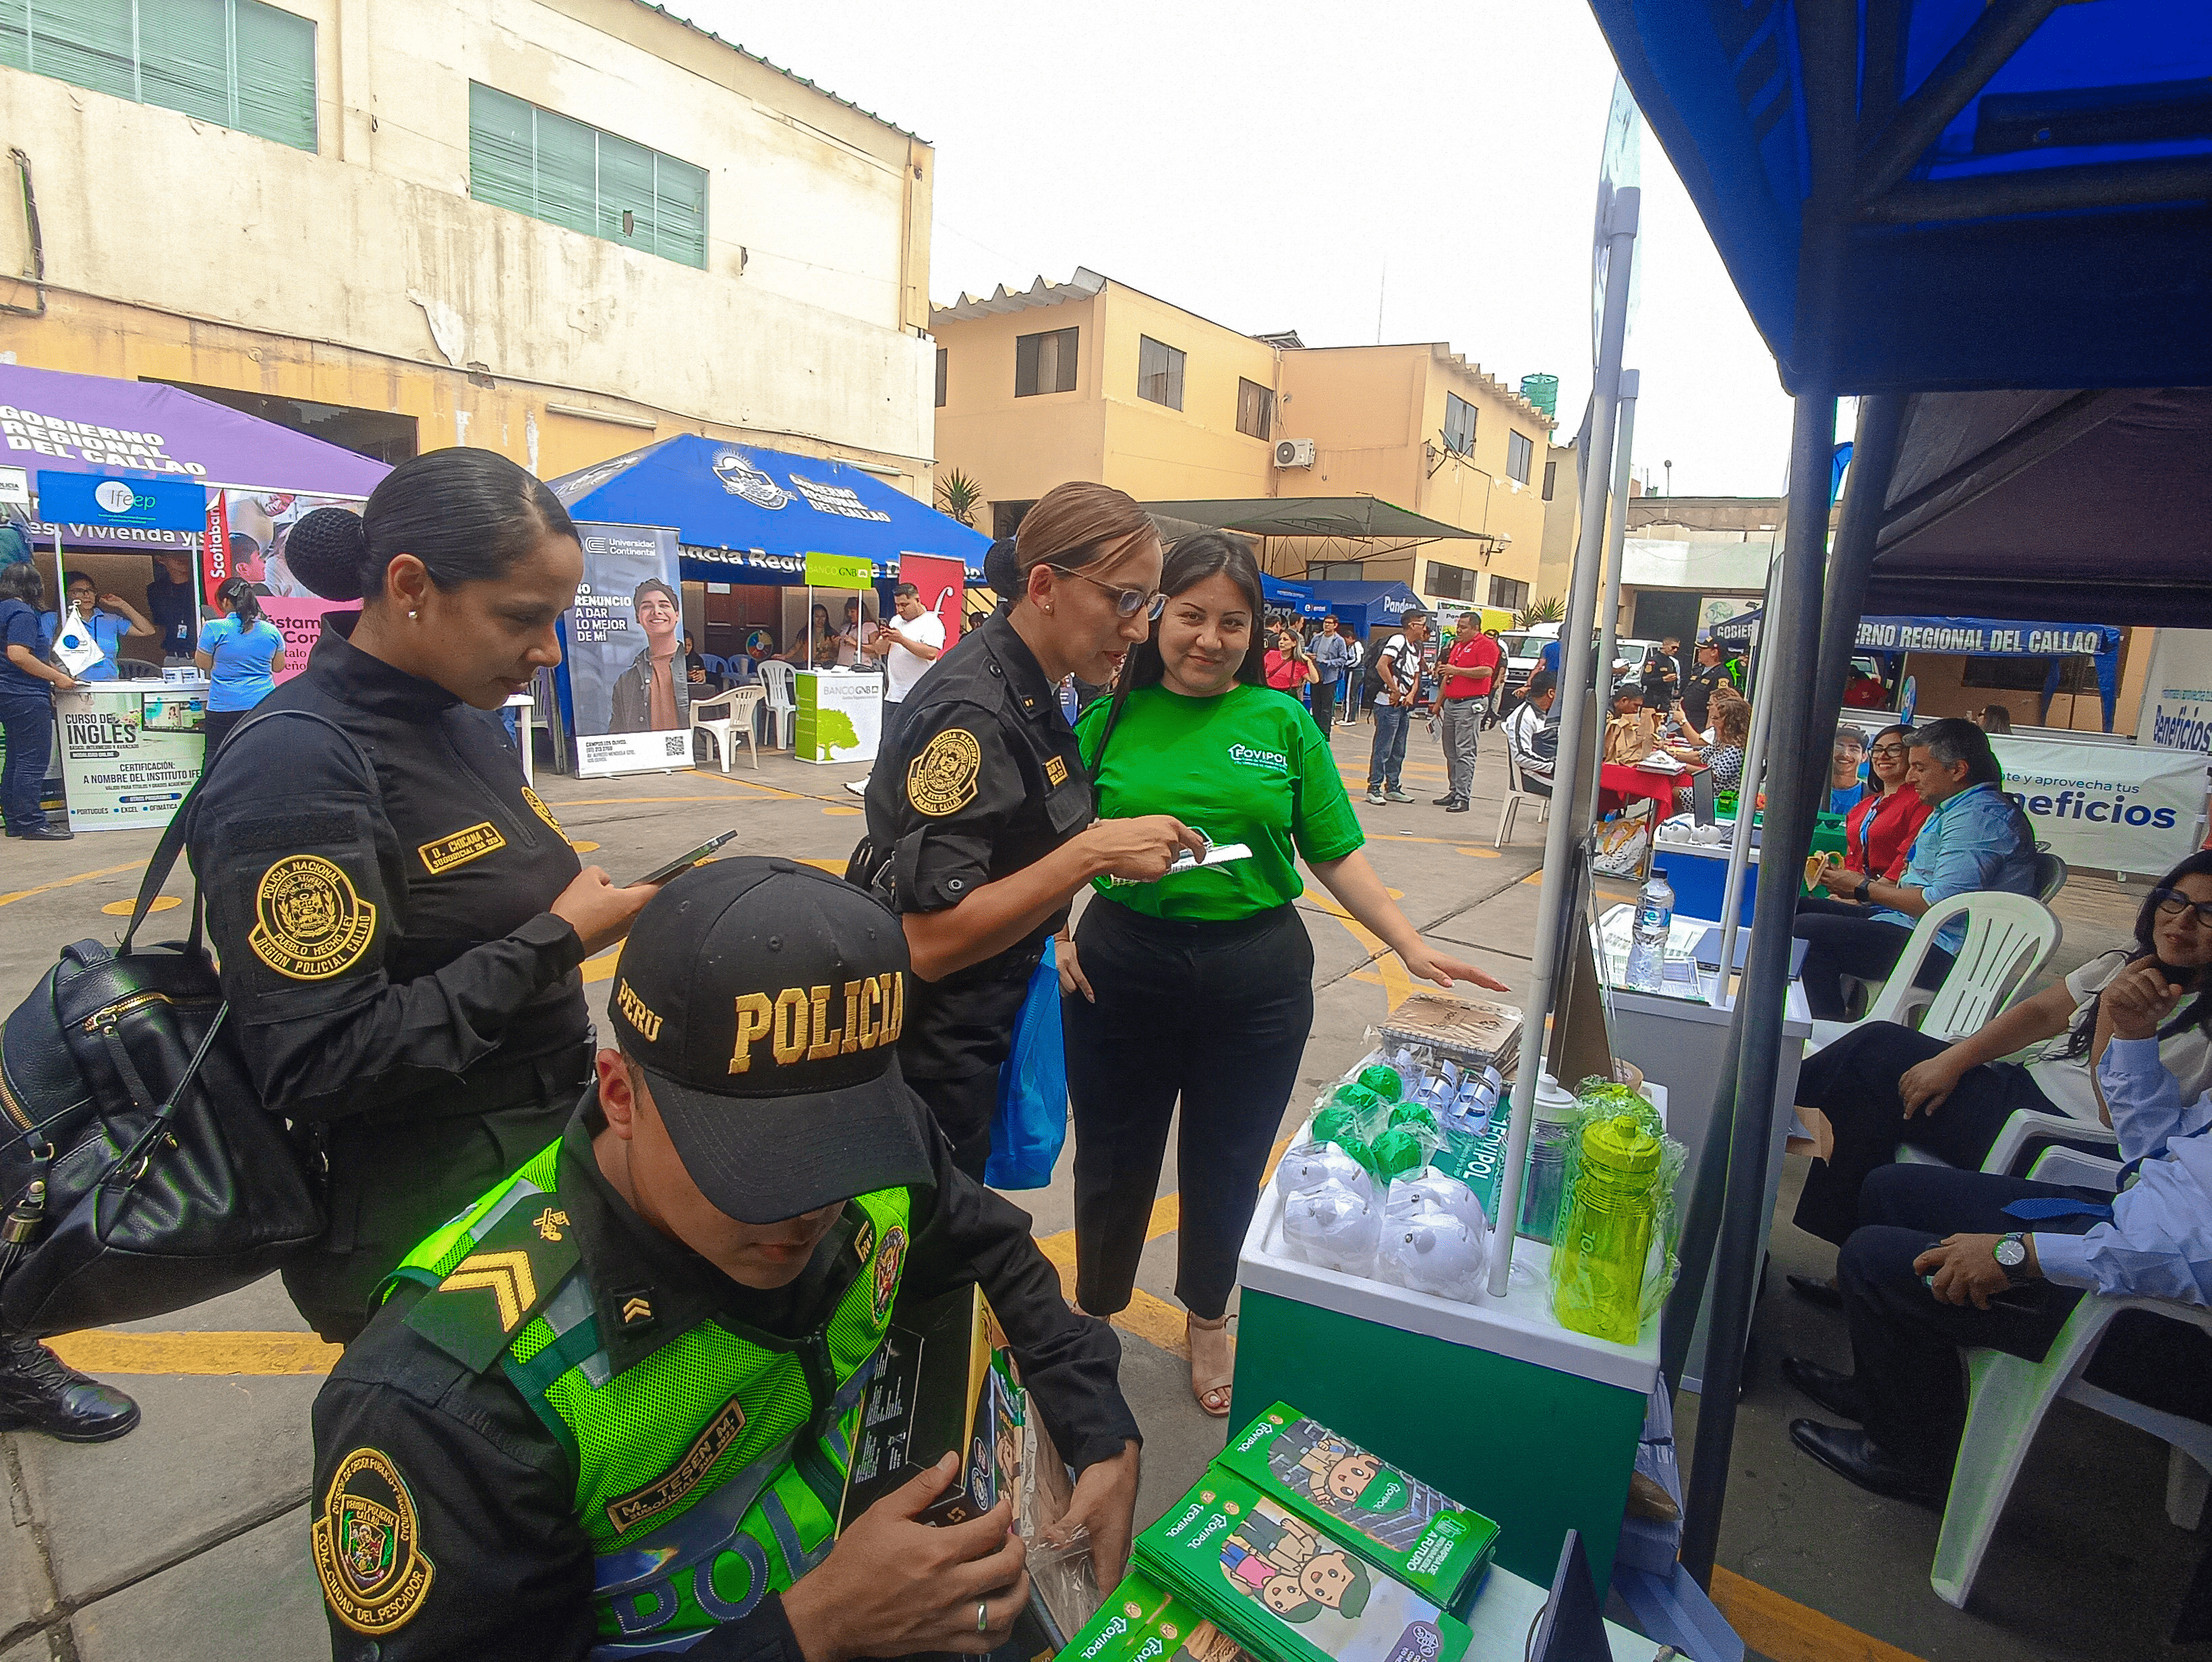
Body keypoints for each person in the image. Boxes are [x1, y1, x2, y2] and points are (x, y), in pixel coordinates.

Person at [310, 859, 1144, 1659]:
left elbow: (988, 1249)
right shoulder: (452, 1401)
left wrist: (1096, 1425)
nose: (812, 1208)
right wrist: (814, 1629)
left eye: (842, 1145)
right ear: (619, 1094)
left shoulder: (882, 1155)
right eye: (758, 1165)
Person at [189, 449, 658, 1343]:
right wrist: (551, 944)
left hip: (535, 1180)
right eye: (523, 617)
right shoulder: (298, 763)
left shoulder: (464, 719)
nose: (547, 650)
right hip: (427, 1236)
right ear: (410, 586)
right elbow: (317, 1060)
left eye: (556, 618)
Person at [1059, 534, 1505, 1417]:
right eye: (1191, 616)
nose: (1209, 638)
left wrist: (1408, 942)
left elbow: (1334, 852)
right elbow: (1053, 846)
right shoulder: (1103, 720)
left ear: (1254, 631)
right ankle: (1095, 1312)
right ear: (1155, 619)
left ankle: (1208, 1317)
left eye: (1233, 621)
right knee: (1113, 1158)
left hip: (1254, 976)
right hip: (1123, 968)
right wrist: (1053, 936)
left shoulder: (1284, 724)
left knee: (1227, 1161)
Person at [853, 482, 1206, 1178]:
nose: (1138, 629)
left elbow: (1010, 835)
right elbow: (928, 941)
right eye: (1124, 599)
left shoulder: (1031, 684)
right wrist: (1089, 853)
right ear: (1044, 585)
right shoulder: (975, 714)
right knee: (935, 1253)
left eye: (1150, 602)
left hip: (989, 1016)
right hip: (934, 1046)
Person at [1783, 969, 2212, 1506]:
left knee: (1878, 1260)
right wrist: (2128, 1034)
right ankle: (1878, 1394)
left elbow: (2193, 1258)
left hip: (2151, 1315)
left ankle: (1909, 1458)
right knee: (1890, 1189)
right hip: (2117, 1224)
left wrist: (2020, 1254)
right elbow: (2150, 1144)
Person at [1787, 851, 2212, 1261]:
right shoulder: (2128, 965)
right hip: (2022, 1087)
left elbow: (2115, 1117)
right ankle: (1849, 1236)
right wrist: (1954, 1060)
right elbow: (2039, 1012)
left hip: (2065, 1136)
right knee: (1876, 1061)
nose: (2183, 920)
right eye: (2175, 901)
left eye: (2208, 912)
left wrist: (2119, 1025)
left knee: (1872, 1061)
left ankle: (1767, 1109)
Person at [1793, 718, 2039, 1022]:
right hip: (1915, 928)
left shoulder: (1979, 818)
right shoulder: (1954, 808)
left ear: (1958, 770)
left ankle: (1819, 1034)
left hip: (1947, 949)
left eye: (1920, 768)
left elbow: (1936, 904)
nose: (1910, 777)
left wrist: (1862, 887)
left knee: (1804, 930)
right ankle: (1821, 1024)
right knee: (1790, 911)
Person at [0, 561, 76, 840]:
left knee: (17, 758)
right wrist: (57, 679)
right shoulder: (22, 612)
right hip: (24, 694)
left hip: (7, 693)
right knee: (32, 760)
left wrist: (53, 672)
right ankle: (32, 823)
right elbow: (18, 655)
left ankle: (16, 821)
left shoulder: (3, 609)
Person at [194, 576, 287, 755]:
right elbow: (278, 667)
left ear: (226, 601)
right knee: (261, 757)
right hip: (263, 705)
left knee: (216, 755)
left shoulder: (213, 628)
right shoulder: (271, 631)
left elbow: (203, 664)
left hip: (224, 706)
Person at [1830, 723, 1931, 884]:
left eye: (1894, 749)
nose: (1883, 756)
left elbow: (1906, 860)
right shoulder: (1863, 807)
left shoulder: (1922, 801)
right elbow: (1853, 862)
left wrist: (1862, 893)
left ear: (1913, 755)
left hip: (1889, 900)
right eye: (1877, 749)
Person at [1434, 617, 1503, 813]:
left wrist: (1457, 670)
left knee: (1465, 751)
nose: (1459, 631)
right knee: (1451, 751)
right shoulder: (1458, 646)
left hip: (1470, 703)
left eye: (1464, 628)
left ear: (1475, 628)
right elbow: (1448, 676)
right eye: (1458, 627)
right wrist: (1439, 702)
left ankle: (1463, 797)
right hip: (1452, 702)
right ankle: (1454, 790)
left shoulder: (1486, 645)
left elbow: (1487, 671)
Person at [1363, 609, 1430, 807]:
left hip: (1403, 706)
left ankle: (1392, 787)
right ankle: (1374, 787)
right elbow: (1382, 665)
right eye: (1422, 624)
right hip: (1387, 704)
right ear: (1412, 624)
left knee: (1399, 749)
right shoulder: (1397, 641)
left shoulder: (1416, 647)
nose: (1424, 628)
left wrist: (1410, 694)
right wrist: (1394, 690)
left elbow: (1416, 675)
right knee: (1383, 747)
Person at [608, 577, 690, 735]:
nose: (656, 611)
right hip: (645, 755)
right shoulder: (625, 680)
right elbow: (616, 731)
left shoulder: (692, 665)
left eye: (664, 605)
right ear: (638, 618)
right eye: (647, 607)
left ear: (677, 615)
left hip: (687, 754)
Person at [865, 581, 948, 734]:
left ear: (917, 600)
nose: (900, 609)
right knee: (888, 742)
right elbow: (880, 650)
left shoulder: (932, 623)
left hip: (918, 696)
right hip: (894, 695)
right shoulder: (896, 621)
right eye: (897, 605)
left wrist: (901, 639)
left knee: (912, 742)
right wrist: (885, 637)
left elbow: (930, 653)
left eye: (905, 604)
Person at [40, 571, 152, 681]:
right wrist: (61, 677)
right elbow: (43, 654)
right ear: (66, 594)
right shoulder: (53, 619)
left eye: (90, 590)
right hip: (72, 687)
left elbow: (147, 631)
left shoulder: (110, 619)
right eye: (79, 591)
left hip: (109, 687)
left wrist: (122, 605)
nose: (87, 595)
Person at [1661, 695, 1751, 794]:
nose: (1712, 722)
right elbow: (1699, 756)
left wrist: (1680, 766)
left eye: (1716, 719)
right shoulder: (1722, 741)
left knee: (1668, 792)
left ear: (1730, 722)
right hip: (1706, 786)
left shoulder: (1737, 750)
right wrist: (1670, 754)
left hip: (1718, 795)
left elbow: (1713, 775)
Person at [1503, 668, 1558, 798]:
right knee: (1583, 791)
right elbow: (1521, 756)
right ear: (1551, 693)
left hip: (1548, 773)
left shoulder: (1548, 713)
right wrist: (1555, 767)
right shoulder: (1524, 716)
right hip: (1533, 778)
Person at [145, 549, 201, 662]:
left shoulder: (200, 587)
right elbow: (160, 624)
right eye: (173, 554)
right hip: (172, 655)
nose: (181, 557)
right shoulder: (156, 590)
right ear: (160, 559)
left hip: (199, 654)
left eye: (184, 552)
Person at [1308, 614, 1351, 737]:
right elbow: (1309, 650)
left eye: (1330, 623)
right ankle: (1315, 732)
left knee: (1326, 708)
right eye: (1325, 622)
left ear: (1335, 625)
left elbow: (1343, 659)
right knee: (1316, 706)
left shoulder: (1339, 641)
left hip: (1330, 677)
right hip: (1316, 676)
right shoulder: (1317, 638)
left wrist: (1329, 662)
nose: (1327, 625)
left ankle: (1325, 734)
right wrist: (1310, 656)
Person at [1681, 638, 1728, 733]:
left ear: (1714, 652)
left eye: (1702, 650)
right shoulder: (1698, 670)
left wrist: (1709, 728)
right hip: (1686, 721)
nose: (1699, 652)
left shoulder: (1721, 675)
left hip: (1701, 725)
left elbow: (1719, 705)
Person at [1827, 724, 1869, 815]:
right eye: (1839, 746)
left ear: (1864, 756)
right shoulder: (1811, 789)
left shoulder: (1871, 796)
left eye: (1853, 749)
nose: (1845, 754)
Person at [1263, 623, 1312, 701]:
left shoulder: (1299, 662)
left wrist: (1309, 661)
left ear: (1294, 643)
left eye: (1285, 640)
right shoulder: (1271, 654)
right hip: (1271, 694)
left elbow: (1313, 679)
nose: (1281, 642)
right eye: (1280, 640)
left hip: (1288, 696)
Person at [1641, 634, 1682, 714]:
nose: (1675, 650)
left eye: (1677, 648)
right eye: (1673, 647)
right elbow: (1645, 680)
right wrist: (1663, 679)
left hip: (1665, 700)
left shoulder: (1672, 662)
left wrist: (1676, 688)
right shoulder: (1654, 661)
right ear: (1664, 646)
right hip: (1653, 698)